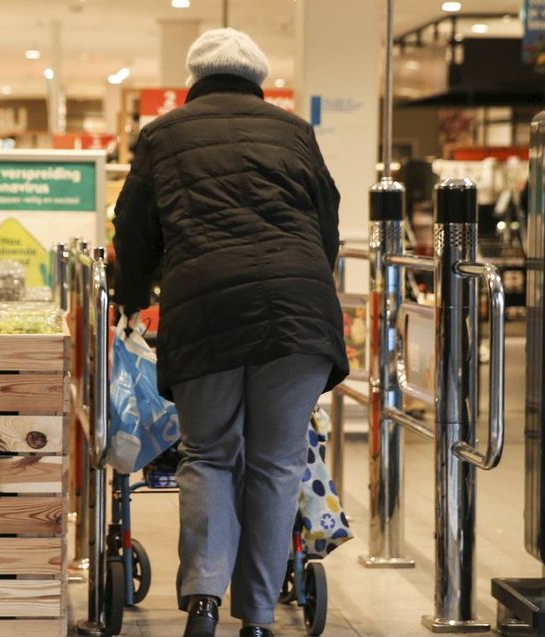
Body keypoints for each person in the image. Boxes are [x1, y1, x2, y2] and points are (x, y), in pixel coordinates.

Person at [111, 28, 348, 637]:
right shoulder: (294, 130)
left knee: (210, 455)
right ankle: (261, 619)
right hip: (299, 316)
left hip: (205, 313)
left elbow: (134, 231)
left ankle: (204, 602)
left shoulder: (162, 134)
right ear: (258, 80)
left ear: (195, 79)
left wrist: (131, 299)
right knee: (276, 464)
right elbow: (325, 227)